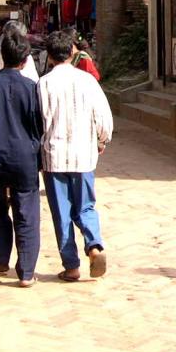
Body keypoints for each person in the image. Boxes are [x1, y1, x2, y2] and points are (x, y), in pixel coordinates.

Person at [38, 30, 113, 282]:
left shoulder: (43, 84)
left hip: (53, 157)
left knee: (62, 212)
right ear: (72, 52)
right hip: (84, 156)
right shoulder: (87, 81)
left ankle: (71, 266)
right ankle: (94, 246)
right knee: (86, 206)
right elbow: (103, 119)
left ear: (49, 57)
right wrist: (101, 142)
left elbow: (39, 122)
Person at [0, 29, 44, 288]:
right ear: (25, 60)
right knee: (26, 212)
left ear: (1, 57)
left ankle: (0, 260)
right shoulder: (32, 89)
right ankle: (26, 272)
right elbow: (39, 127)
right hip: (25, 159)